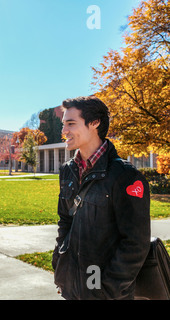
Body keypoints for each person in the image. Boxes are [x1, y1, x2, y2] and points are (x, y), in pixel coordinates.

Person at [52, 96, 151, 300]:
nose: (64, 132)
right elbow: (65, 221)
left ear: (95, 123)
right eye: (64, 124)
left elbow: (135, 243)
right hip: (72, 288)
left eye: (71, 123)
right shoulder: (68, 171)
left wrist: (107, 289)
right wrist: (61, 268)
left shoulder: (125, 176)